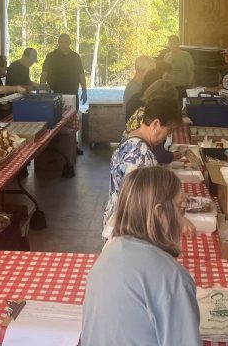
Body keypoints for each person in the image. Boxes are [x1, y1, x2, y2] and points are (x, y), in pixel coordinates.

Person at [82, 166, 201, 346]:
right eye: (180, 207)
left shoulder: (109, 251)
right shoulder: (172, 277)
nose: (182, 218)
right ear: (160, 213)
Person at [101, 93, 183, 239]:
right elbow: (140, 202)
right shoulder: (139, 155)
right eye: (168, 131)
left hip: (118, 223)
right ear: (156, 124)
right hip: (127, 231)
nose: (167, 137)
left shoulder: (133, 139)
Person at [124, 80, 181, 164]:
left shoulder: (141, 111)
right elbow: (160, 156)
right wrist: (180, 154)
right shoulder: (141, 154)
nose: (168, 135)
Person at [40, 33, 88, 105]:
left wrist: (84, 91)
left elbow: (81, 74)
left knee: (72, 115)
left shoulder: (75, 57)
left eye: (66, 42)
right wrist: (42, 90)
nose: (63, 44)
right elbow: (44, 73)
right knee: (55, 115)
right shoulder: (51, 56)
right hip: (55, 93)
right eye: (61, 42)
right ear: (58, 43)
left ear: (69, 43)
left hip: (72, 93)